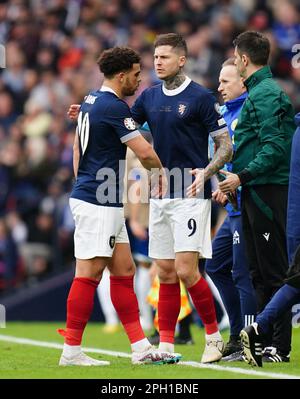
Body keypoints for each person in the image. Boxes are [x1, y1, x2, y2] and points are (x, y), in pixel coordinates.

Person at [68, 33, 233, 363]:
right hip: (159, 197)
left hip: (190, 191)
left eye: (164, 58)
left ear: (182, 60)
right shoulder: (148, 98)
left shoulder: (200, 97)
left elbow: (225, 144)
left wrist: (207, 171)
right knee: (165, 272)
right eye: (154, 57)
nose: (156, 63)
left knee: (187, 270)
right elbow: (121, 122)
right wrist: (91, 113)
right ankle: (167, 345)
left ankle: (213, 336)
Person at [57, 46, 181, 366]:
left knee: (124, 270)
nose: (140, 81)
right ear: (122, 74)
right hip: (98, 201)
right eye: (137, 75)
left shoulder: (90, 101)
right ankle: (71, 351)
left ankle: (140, 349)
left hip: (102, 200)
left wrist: (81, 180)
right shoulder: (113, 107)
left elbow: (76, 149)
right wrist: (160, 179)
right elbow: (146, 153)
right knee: (88, 274)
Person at [219, 31, 296, 363]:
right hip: (253, 190)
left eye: (236, 58)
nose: (236, 61)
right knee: (258, 271)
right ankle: (264, 342)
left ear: (244, 60)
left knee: (273, 269)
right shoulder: (257, 93)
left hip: (267, 191)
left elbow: (275, 148)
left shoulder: (266, 94)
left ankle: (279, 345)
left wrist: (241, 176)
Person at [205, 58, 257, 362]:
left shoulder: (249, 111)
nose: (220, 87)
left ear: (242, 81)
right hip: (233, 205)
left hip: (249, 204)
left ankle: (252, 341)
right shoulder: (225, 113)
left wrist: (236, 184)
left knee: (243, 274)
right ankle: (238, 336)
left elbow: (256, 155)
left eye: (225, 81)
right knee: (215, 265)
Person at [240, 112, 300, 367]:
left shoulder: (296, 132)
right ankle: (262, 330)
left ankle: (257, 328)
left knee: (295, 281)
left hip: (293, 219)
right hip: (283, 211)